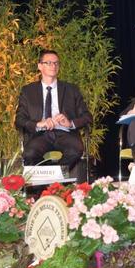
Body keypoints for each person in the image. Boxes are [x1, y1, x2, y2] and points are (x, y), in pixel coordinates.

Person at [15, 49, 93, 181]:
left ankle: (56, 178)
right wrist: (39, 123)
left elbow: (87, 117)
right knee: (29, 154)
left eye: (56, 63)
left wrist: (70, 123)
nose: (53, 66)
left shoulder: (71, 89)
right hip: (40, 134)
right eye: (49, 63)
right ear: (40, 66)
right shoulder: (28, 91)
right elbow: (19, 120)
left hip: (65, 133)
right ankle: (47, 180)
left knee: (76, 150)